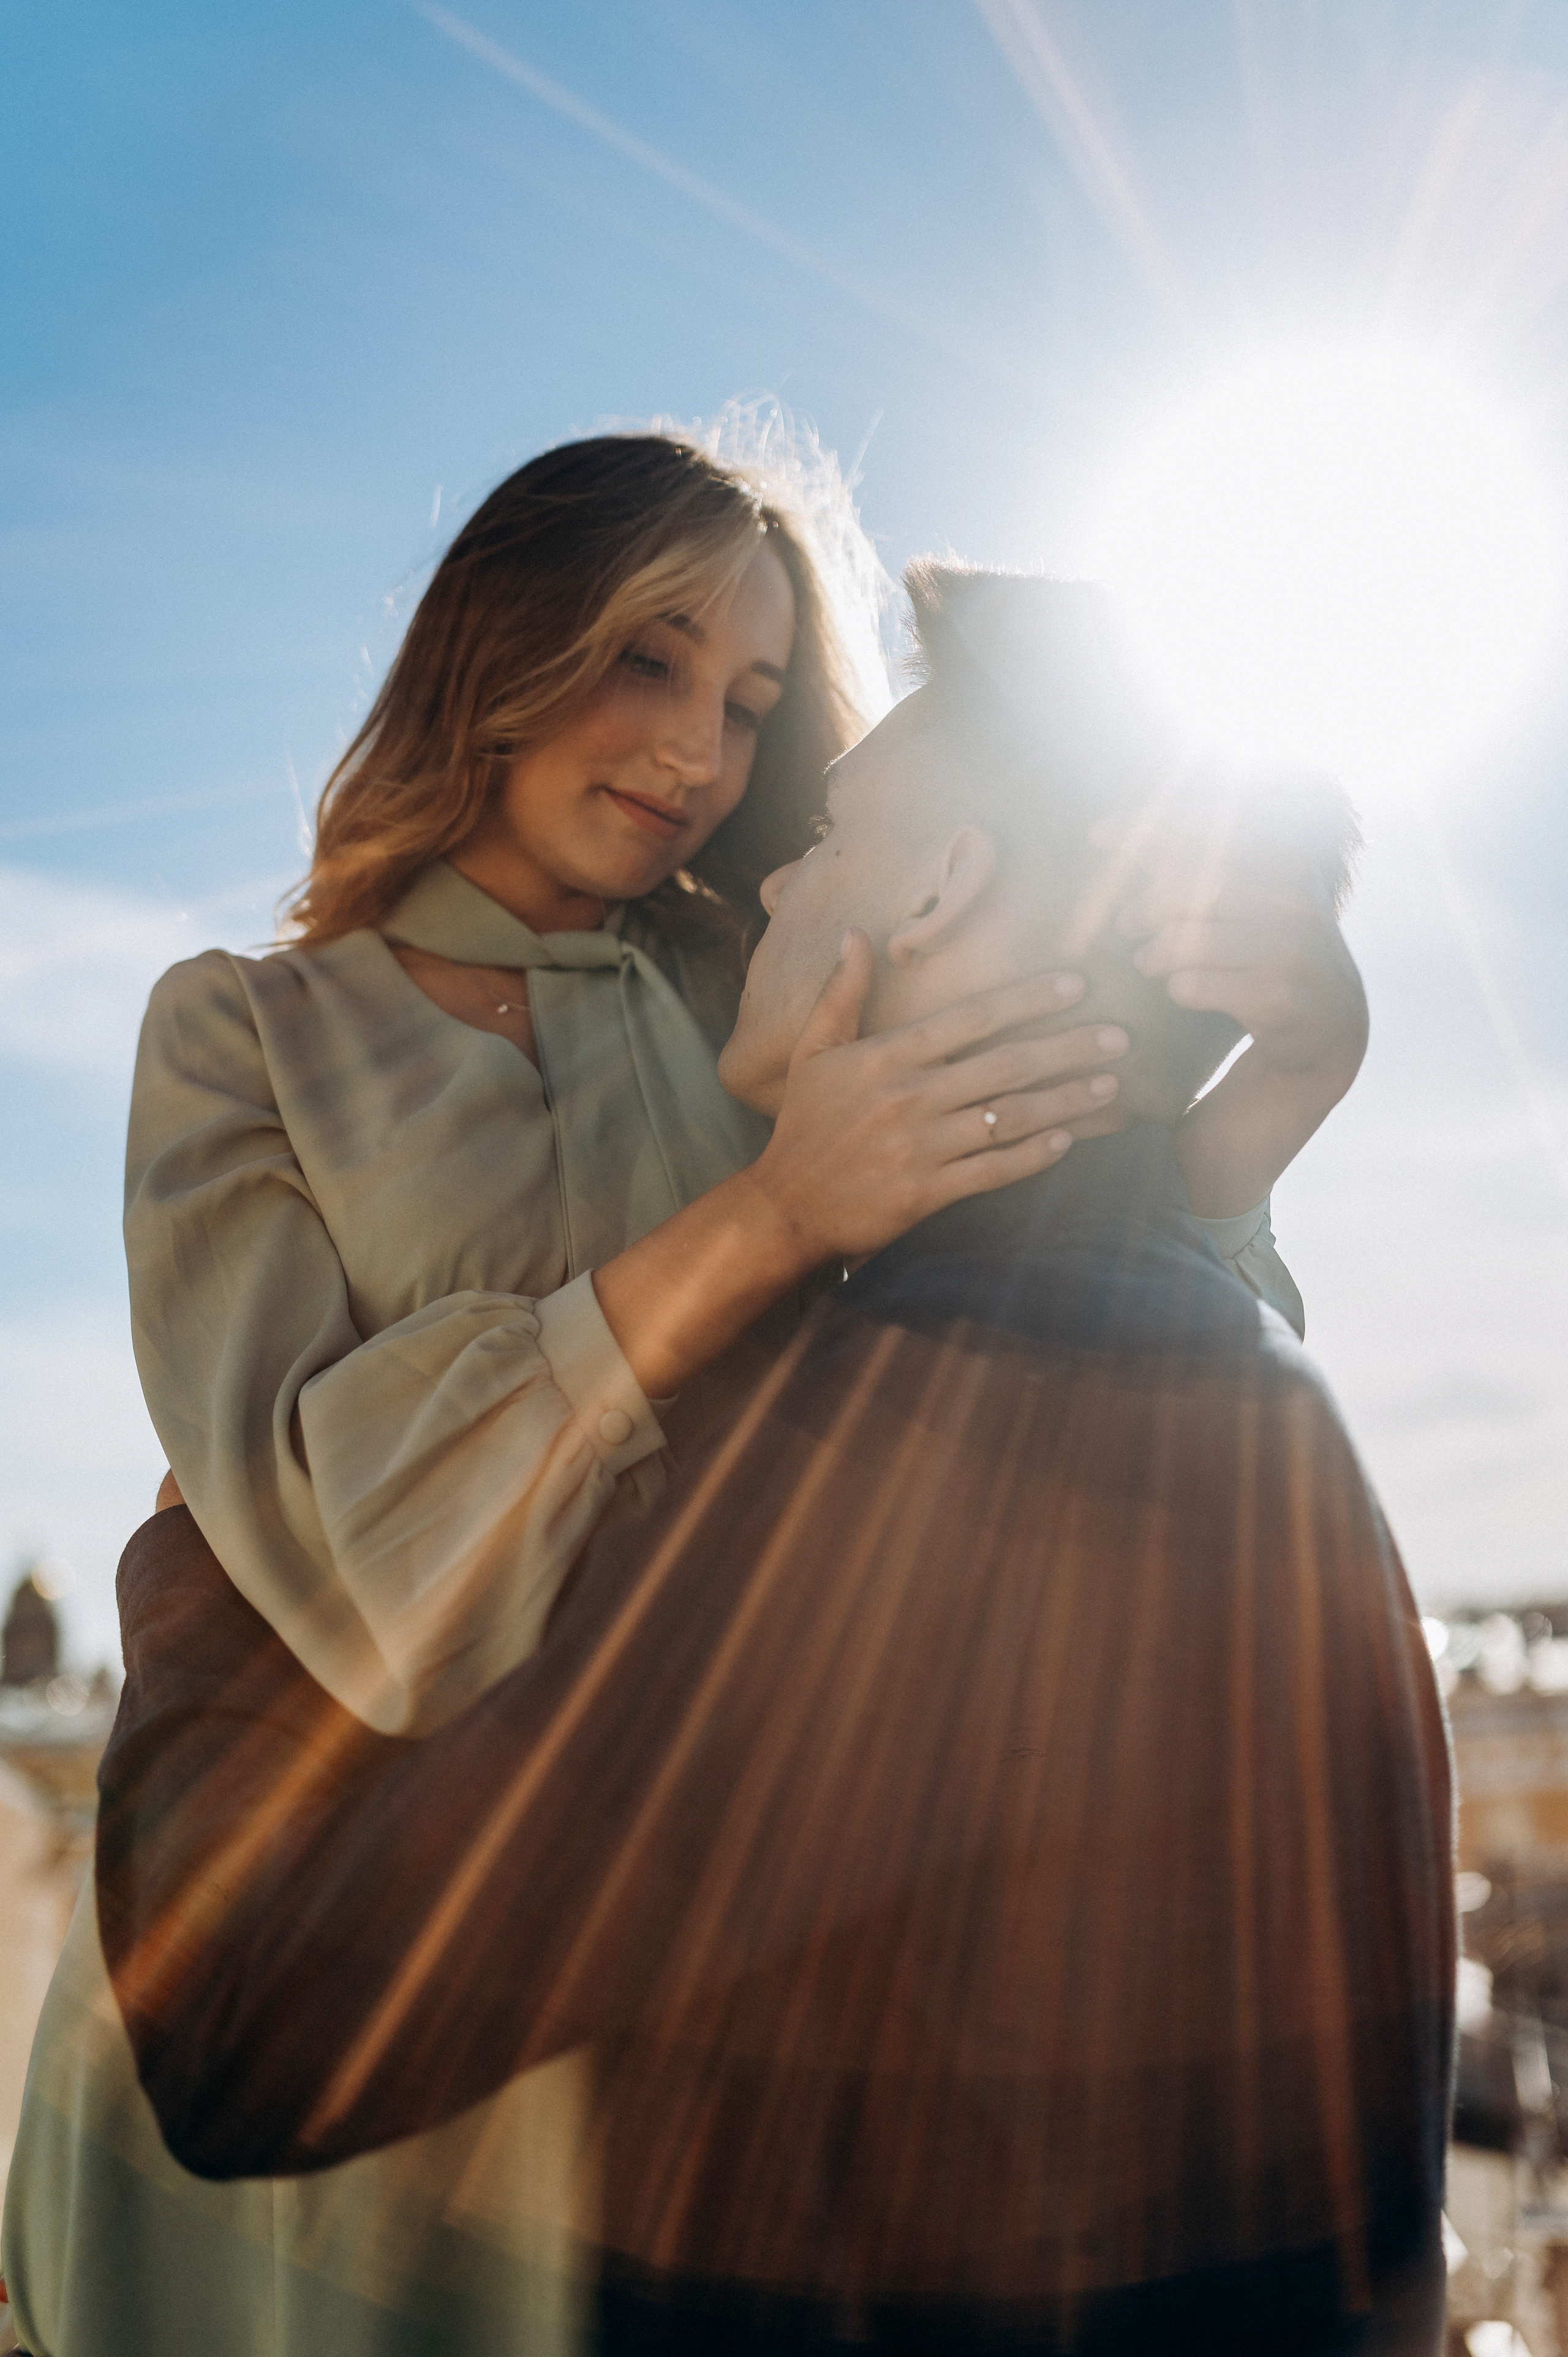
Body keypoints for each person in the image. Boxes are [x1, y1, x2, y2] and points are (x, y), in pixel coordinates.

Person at [2, 420, 1366, 2357]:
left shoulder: (786, 975)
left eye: (750, 701)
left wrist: (1282, 1082)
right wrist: (768, 1218)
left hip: (631, 1993)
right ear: (498, 644)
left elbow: (1051, 1314)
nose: (698, 756)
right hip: (287, 1974)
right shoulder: (242, 1032)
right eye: (647, 661)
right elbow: (308, 1548)